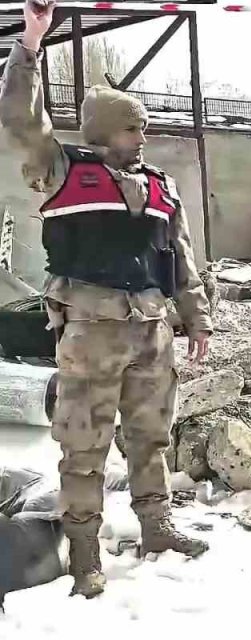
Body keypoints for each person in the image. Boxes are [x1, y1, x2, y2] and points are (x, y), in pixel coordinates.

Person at [0, 0, 213, 600]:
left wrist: (196, 320)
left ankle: (157, 528)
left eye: (143, 126)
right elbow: (21, 118)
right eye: (131, 126)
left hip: (152, 333)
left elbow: (182, 259)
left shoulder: (161, 186)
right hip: (90, 333)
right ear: (101, 132)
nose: (142, 136)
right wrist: (30, 46)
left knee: (152, 438)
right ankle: (86, 555)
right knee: (83, 446)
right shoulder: (62, 170)